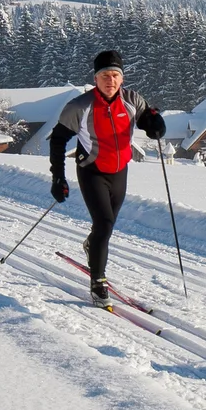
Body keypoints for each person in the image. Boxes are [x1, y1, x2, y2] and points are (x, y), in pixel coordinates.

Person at [47, 50, 166, 309]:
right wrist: (58, 177)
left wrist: (157, 124)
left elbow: (149, 120)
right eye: (104, 76)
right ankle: (97, 281)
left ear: (121, 79)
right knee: (104, 222)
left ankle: (91, 245)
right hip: (92, 170)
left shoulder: (133, 100)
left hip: (120, 171)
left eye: (115, 75)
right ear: (95, 78)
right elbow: (57, 141)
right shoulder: (80, 106)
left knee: (106, 227)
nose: (110, 80)